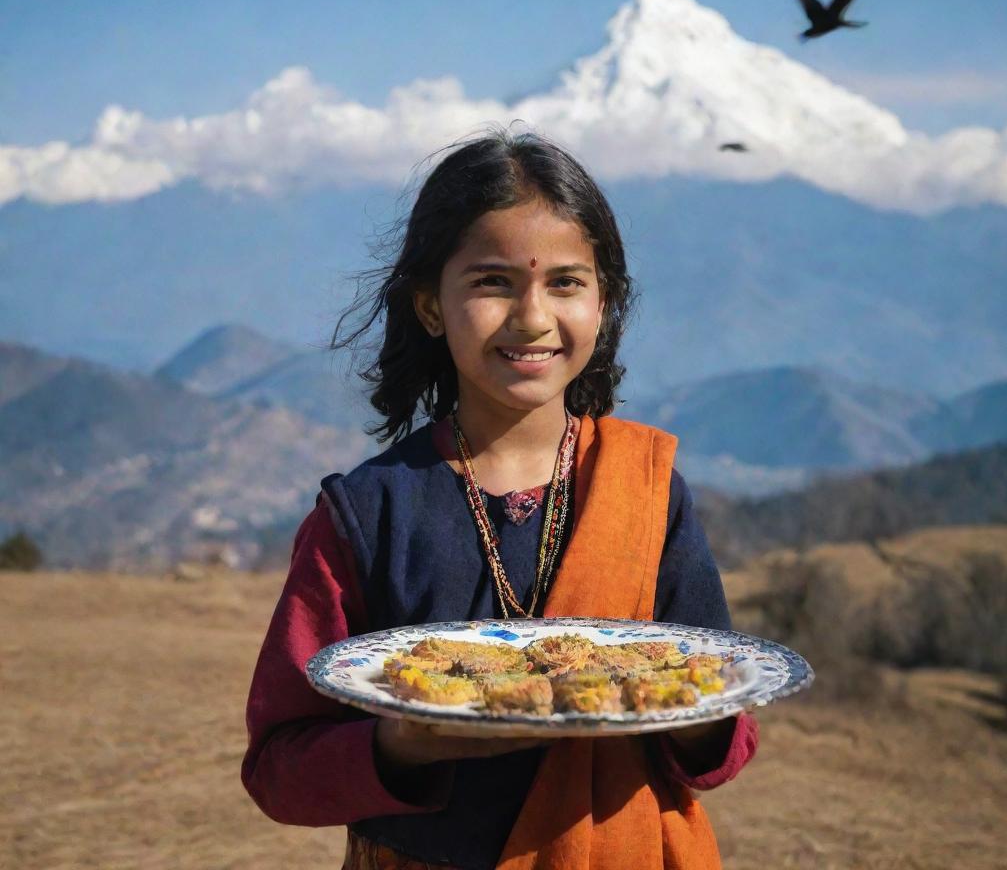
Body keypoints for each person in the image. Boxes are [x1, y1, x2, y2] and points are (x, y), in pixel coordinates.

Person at [241, 126, 759, 870]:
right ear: (428, 305)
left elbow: (726, 725)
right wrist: (400, 743)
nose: (533, 317)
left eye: (566, 282)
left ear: (604, 301)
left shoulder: (645, 491)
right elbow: (279, 769)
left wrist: (685, 713)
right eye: (492, 282)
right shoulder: (369, 514)